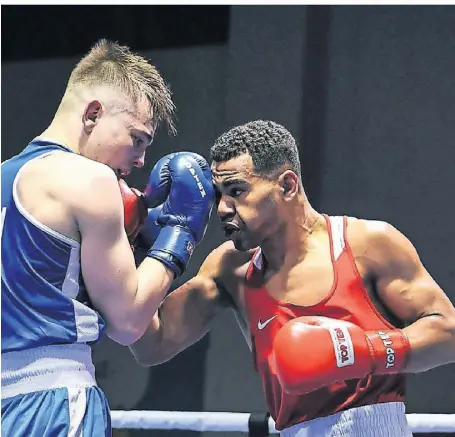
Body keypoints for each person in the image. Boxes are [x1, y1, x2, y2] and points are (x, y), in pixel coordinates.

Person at [130, 120, 455, 437]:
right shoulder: (231, 269)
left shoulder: (367, 244)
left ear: (287, 185)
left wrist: (366, 351)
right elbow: (150, 345)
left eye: (237, 191)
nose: (223, 209)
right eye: (218, 195)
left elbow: (448, 332)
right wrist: (152, 245)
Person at [1, 39, 214, 437]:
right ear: (93, 114)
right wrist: (181, 231)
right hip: (52, 401)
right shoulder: (91, 180)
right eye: (138, 138)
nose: (140, 161)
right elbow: (129, 323)